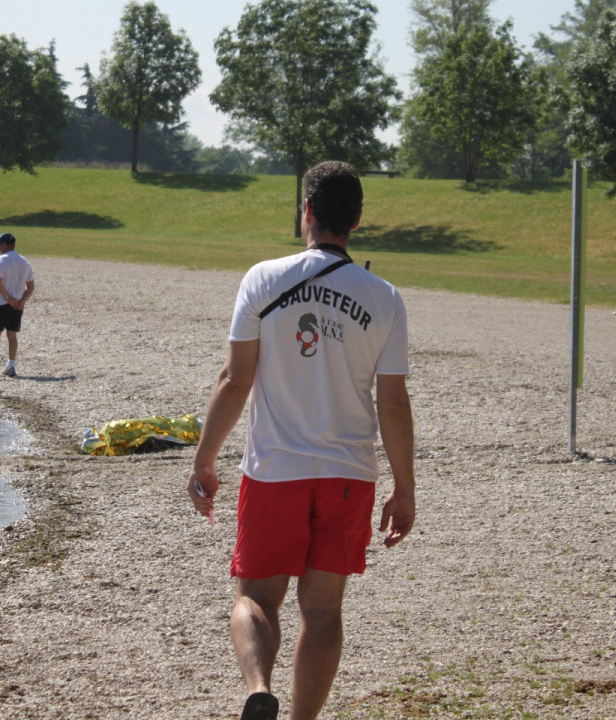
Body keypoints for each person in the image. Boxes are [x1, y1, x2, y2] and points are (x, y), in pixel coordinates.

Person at [187, 161, 416, 720]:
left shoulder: (262, 279)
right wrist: (404, 488)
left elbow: (235, 379)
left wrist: (204, 460)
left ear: (306, 211)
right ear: (356, 220)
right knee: (323, 612)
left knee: (255, 598)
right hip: (348, 475)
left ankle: (257, 688)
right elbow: (392, 402)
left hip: (274, 471)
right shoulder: (385, 297)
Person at [0, 232, 35, 378]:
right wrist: (22, 301)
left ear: (5, 245)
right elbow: (31, 286)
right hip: (17, 305)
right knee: (12, 335)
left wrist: (7, 298)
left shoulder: (1, 259)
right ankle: (11, 366)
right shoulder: (24, 261)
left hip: (1, 303)